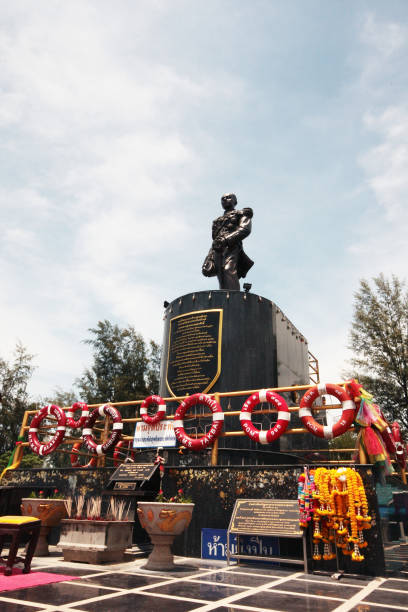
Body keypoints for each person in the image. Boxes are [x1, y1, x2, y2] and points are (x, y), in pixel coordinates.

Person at [202, 193, 254, 290]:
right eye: (223, 198)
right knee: (220, 275)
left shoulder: (242, 214)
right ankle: (225, 297)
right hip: (218, 249)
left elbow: (245, 230)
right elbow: (214, 237)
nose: (225, 199)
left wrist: (227, 239)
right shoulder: (217, 220)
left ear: (235, 201)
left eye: (229, 197)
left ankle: (234, 297)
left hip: (232, 246)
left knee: (228, 270)